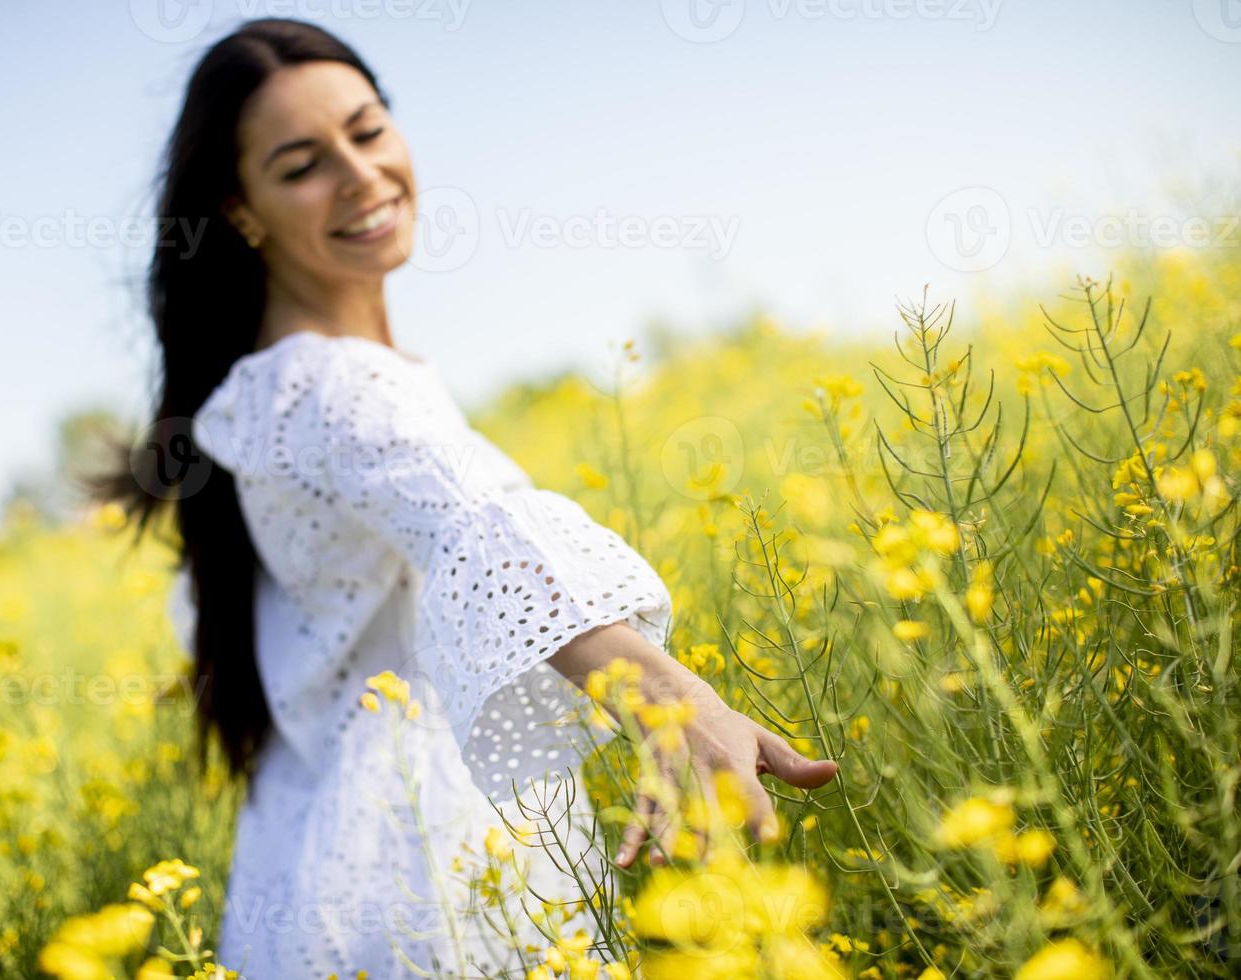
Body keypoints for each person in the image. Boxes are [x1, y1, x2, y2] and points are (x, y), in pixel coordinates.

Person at [104, 18, 838, 978]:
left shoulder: (290, 386)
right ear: (240, 210)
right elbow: (467, 527)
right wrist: (671, 701)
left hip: (326, 844)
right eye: (301, 166)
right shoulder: (327, 387)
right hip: (421, 863)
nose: (361, 175)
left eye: (367, 132)